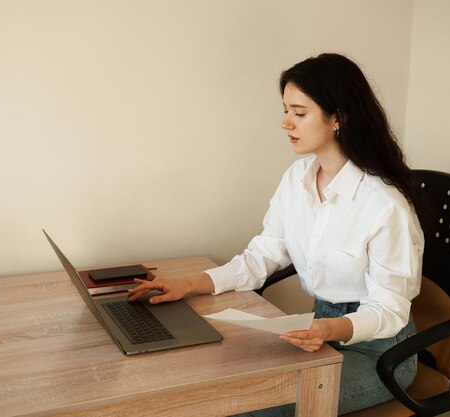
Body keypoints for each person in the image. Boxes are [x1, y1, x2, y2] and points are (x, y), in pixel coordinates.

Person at [128, 53, 424, 415]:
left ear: (338, 118)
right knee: (215, 385)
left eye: (299, 113)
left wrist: (329, 330)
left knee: (260, 403)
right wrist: (187, 284)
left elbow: (390, 310)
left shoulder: (383, 205)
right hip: (319, 330)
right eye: (285, 110)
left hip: (381, 352)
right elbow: (262, 255)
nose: (286, 123)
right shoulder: (297, 179)